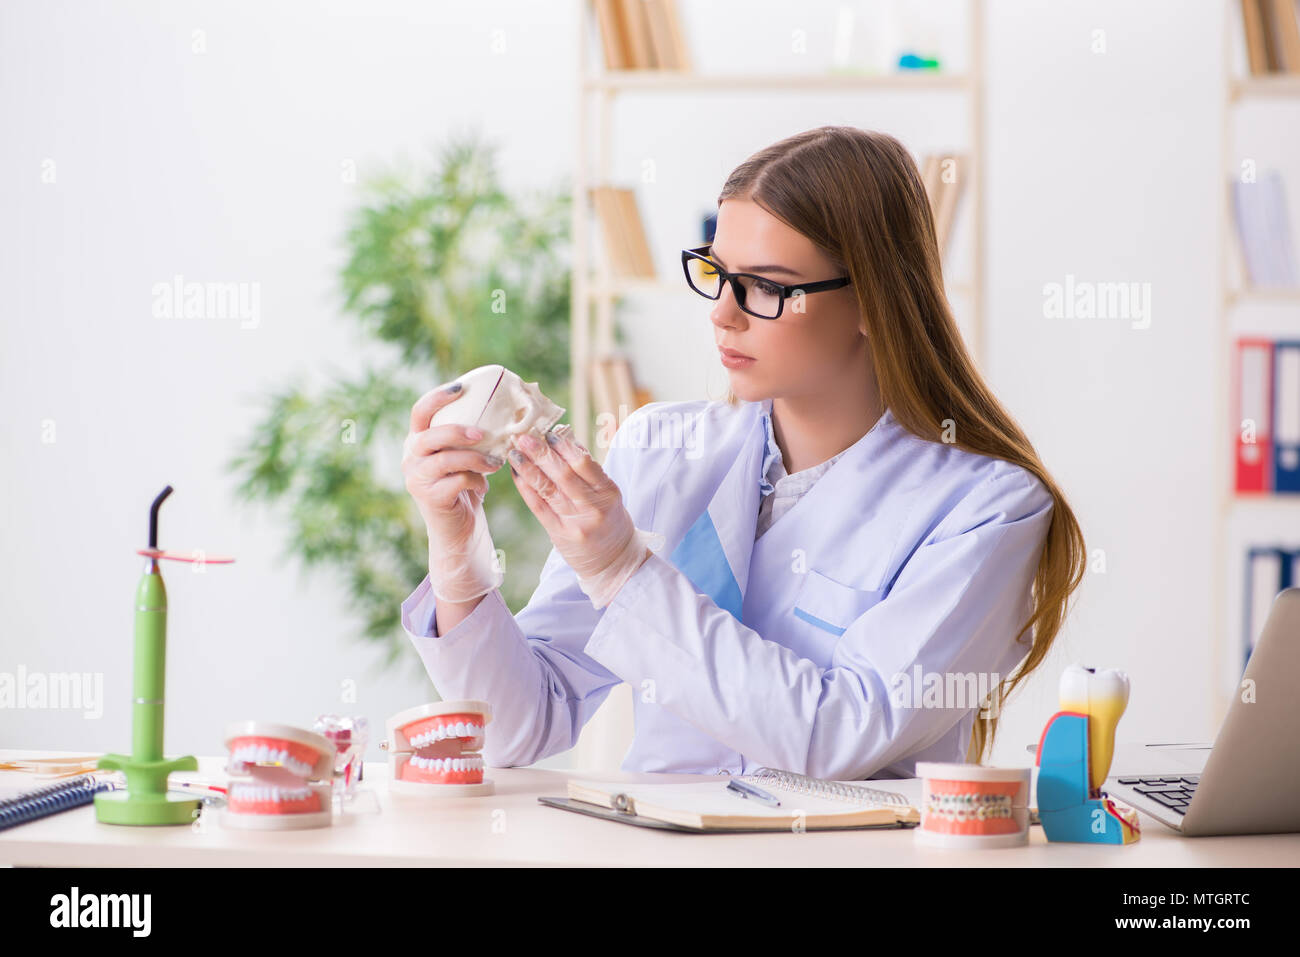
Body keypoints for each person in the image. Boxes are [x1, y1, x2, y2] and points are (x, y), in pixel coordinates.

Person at [400, 126, 1086, 779]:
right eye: (716, 273)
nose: (721, 313)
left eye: (765, 286)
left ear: (874, 301)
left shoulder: (987, 506)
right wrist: (458, 561)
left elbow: (842, 732)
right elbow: (523, 722)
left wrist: (623, 573)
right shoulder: (660, 446)